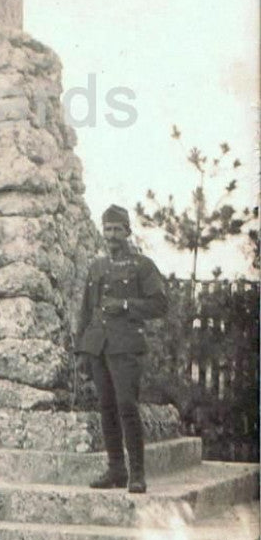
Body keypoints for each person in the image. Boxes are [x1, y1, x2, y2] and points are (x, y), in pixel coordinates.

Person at [75, 204, 168, 494]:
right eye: (108, 229)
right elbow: (86, 310)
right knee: (106, 408)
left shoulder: (142, 266)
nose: (112, 234)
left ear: (127, 231)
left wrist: (127, 305)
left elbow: (160, 304)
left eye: (117, 229)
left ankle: (137, 474)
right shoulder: (97, 267)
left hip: (126, 348)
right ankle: (116, 469)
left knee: (127, 406)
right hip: (99, 348)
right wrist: (82, 350)